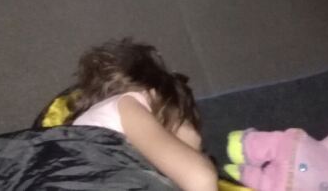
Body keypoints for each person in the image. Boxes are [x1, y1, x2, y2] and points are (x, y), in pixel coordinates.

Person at [66, 39, 218, 191]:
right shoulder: (126, 102)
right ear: (155, 95)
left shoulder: (94, 137)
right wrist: (191, 143)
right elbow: (200, 178)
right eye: (182, 119)